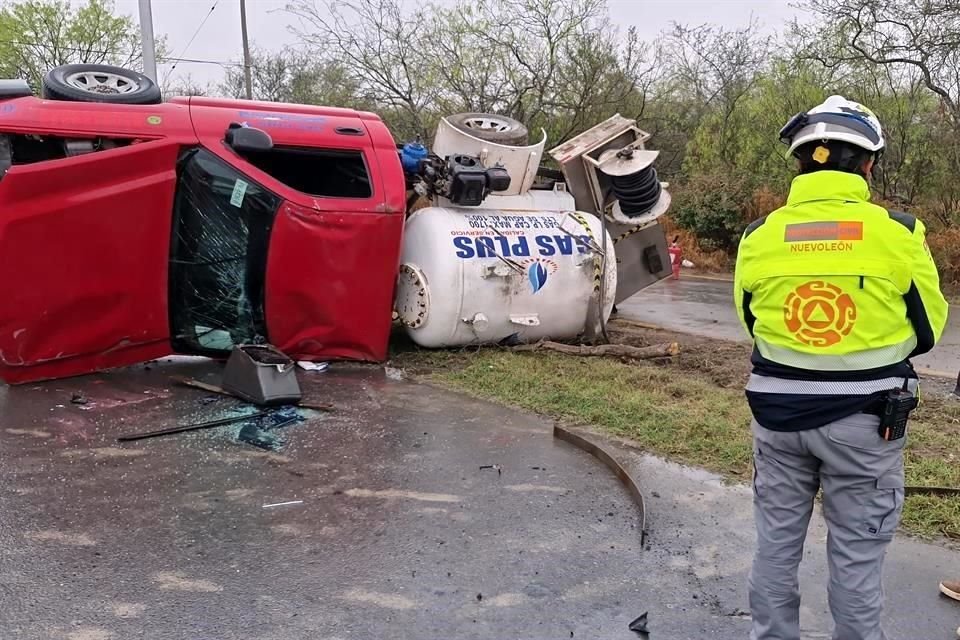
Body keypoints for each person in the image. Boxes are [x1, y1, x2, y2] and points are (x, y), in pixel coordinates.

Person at [733, 95, 949, 640]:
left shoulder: (759, 235)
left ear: (801, 162)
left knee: (775, 546)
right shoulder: (899, 232)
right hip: (866, 424)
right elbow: (929, 329)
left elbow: (752, 320)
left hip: (777, 418)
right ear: (869, 164)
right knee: (856, 557)